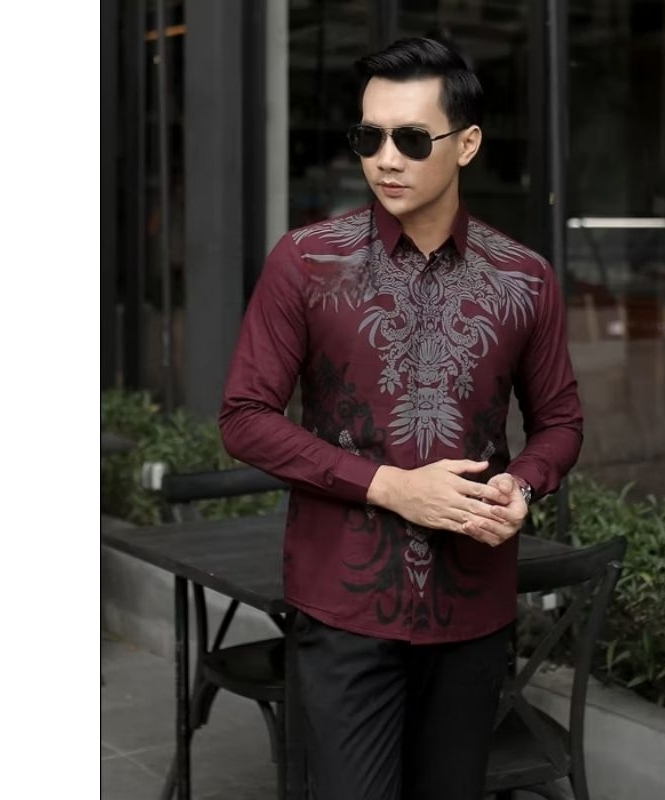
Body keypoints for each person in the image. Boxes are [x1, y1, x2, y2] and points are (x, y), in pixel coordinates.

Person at [219, 36, 583, 800]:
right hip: (342, 606)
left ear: (467, 144)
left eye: (412, 140)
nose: (386, 159)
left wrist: (522, 485)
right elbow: (245, 417)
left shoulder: (525, 277)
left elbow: (559, 422)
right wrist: (389, 486)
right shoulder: (306, 261)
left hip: (473, 608)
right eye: (369, 137)